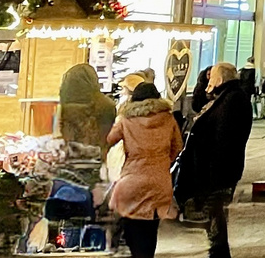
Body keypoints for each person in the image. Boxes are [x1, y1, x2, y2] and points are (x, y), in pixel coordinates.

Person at [173, 62, 252, 258]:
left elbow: (223, 139)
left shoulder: (232, 100)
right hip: (216, 167)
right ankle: (218, 249)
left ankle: (218, 251)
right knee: (213, 210)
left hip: (219, 169)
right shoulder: (227, 97)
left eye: (212, 78)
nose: (210, 82)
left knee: (214, 208)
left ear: (220, 79)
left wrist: (211, 169)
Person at [106, 83, 181, 258]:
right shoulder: (168, 119)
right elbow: (178, 146)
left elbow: (108, 141)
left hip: (132, 182)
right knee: (150, 229)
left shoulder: (126, 121)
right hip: (160, 182)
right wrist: (162, 162)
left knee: (132, 228)